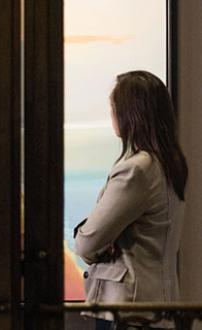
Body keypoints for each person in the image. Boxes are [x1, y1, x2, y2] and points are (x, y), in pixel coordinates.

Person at [74, 70, 188, 330]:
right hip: (161, 305)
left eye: (114, 107)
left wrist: (96, 237)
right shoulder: (169, 164)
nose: (112, 115)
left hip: (127, 310)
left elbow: (87, 244)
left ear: (129, 114)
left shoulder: (136, 170)